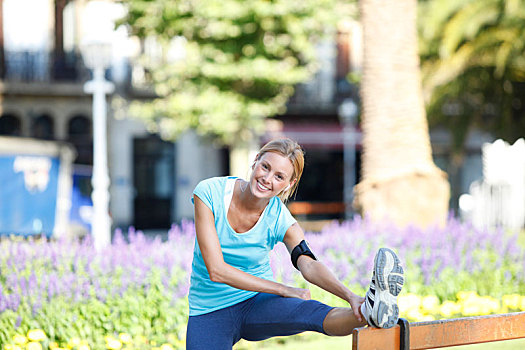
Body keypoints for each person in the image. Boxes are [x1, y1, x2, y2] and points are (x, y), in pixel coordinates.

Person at [186, 138, 404, 349]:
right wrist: (283, 289)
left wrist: (350, 296)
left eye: (279, 176)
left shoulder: (280, 219)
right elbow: (217, 271)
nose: (267, 178)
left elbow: (308, 264)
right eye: (265, 167)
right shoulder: (210, 193)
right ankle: (368, 310)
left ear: (288, 184)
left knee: (309, 313)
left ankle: (368, 310)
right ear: (255, 161)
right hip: (209, 308)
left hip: (257, 302)